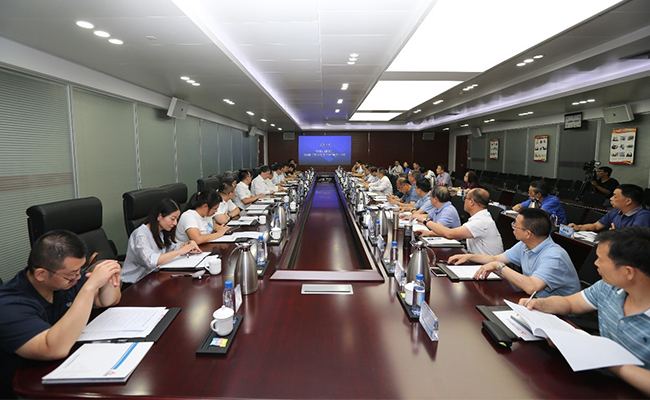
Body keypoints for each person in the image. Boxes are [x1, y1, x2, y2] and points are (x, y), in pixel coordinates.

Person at [520, 226, 650, 396]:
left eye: (601, 260)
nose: (595, 263)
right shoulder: (608, 287)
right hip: (598, 380)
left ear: (628, 272)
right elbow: (570, 303)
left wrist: (608, 360)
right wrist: (541, 304)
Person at [0, 230, 122, 398]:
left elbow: (107, 301)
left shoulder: (65, 281)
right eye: (72, 274)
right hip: (27, 386)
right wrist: (90, 287)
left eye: (80, 270)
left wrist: (110, 276)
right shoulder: (9, 304)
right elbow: (53, 349)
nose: (78, 277)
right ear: (41, 274)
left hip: (68, 368)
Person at [449, 208, 580, 297]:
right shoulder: (525, 245)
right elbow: (495, 259)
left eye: (515, 225)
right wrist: (469, 256)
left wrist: (499, 267)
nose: (512, 227)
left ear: (528, 233)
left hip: (561, 317)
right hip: (535, 302)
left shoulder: (554, 256)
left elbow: (532, 287)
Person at [121, 198, 201, 285]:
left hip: (153, 278)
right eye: (172, 219)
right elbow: (150, 261)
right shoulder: (140, 235)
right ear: (159, 216)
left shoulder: (160, 231)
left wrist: (188, 244)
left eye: (176, 219)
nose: (175, 223)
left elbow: (170, 248)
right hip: (135, 283)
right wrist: (180, 251)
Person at [418, 188, 504, 255]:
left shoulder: (481, 221)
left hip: (489, 266)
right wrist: (429, 232)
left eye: (465, 198)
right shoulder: (479, 217)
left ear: (471, 202)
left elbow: (449, 234)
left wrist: (425, 221)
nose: (464, 201)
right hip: (478, 260)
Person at [570, 184, 650, 231]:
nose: (611, 199)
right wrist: (578, 227)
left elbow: (635, 239)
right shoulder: (616, 211)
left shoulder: (643, 215)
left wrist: (616, 234)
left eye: (615, 196)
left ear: (628, 201)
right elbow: (596, 226)